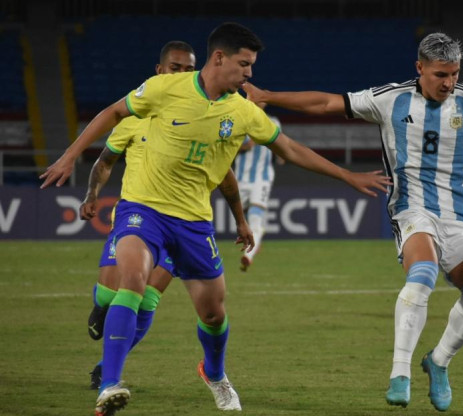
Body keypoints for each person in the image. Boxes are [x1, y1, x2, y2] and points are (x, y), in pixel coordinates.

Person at [40, 22, 390, 415]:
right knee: (133, 282)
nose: (250, 74)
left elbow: (288, 150)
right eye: (245, 64)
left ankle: (214, 372)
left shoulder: (241, 112)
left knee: (213, 312)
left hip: (193, 223)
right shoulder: (164, 89)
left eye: (252, 66)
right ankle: (109, 385)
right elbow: (114, 112)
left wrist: (347, 176)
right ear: (219, 58)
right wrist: (71, 156)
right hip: (143, 208)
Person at [244, 32, 463, 411]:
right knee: (423, 271)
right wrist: (267, 97)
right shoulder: (390, 99)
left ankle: (438, 361)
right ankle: (400, 372)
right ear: (420, 68)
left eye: (455, 74)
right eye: (440, 74)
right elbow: (327, 102)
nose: (448, 82)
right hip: (411, 209)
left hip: (460, 214)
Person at [80, 41, 254, 391]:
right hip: (136, 218)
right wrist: (91, 195)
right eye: (175, 67)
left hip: (182, 223)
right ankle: (101, 309)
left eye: (189, 68)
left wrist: (240, 218)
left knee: (146, 296)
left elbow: (224, 174)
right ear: (159, 71)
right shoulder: (135, 116)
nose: (183, 73)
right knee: (108, 293)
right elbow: (106, 161)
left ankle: (107, 370)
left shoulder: (202, 115)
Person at [235, 102, 283, 272]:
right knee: (242, 217)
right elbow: (234, 147)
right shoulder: (240, 121)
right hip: (240, 178)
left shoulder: (274, 122)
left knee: (256, 217)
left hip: (262, 178)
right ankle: (256, 243)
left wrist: (280, 155)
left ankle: (249, 255)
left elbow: (280, 145)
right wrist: (249, 143)